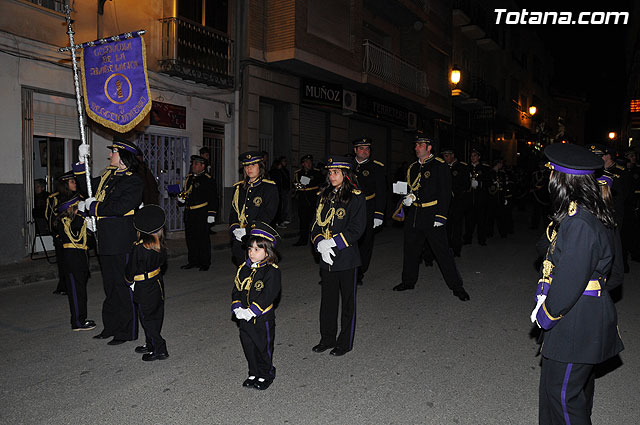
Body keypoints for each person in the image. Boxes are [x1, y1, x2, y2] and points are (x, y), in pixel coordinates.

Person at [530, 143, 624, 425]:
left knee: (564, 399)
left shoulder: (581, 221)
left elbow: (571, 280)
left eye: (552, 174)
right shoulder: (576, 214)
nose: (548, 179)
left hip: (576, 320)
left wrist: (546, 314)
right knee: (552, 392)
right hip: (573, 316)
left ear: (562, 180)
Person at [74, 138, 143, 346]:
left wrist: (94, 208)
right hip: (105, 239)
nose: (109, 155)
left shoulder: (133, 180)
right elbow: (87, 187)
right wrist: (81, 162)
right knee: (110, 286)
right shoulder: (107, 175)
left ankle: (126, 331)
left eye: (113, 152)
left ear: (122, 158)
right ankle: (111, 326)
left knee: (123, 286)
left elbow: (120, 207)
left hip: (121, 240)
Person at [393, 137, 470, 301]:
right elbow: (411, 187)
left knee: (442, 253)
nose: (416, 147)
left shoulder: (439, 165)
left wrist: (441, 216)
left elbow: (445, 192)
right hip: (414, 214)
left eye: (420, 145)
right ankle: (408, 281)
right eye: (415, 145)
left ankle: (457, 286)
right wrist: (407, 198)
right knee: (411, 251)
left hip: (432, 213)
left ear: (429, 148)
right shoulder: (413, 167)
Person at [310, 155, 366, 356]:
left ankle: (345, 342)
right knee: (328, 301)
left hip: (346, 257)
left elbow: (357, 229)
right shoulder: (324, 195)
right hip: (327, 258)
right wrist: (320, 244)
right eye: (330, 172)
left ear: (345, 174)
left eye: (336, 172)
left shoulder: (356, 197)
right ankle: (327, 338)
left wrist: (332, 243)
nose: (331, 176)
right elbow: (316, 223)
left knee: (348, 302)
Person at [231, 221, 282, 390]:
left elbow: (269, 295)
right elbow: (237, 288)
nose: (251, 253)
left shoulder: (271, 271)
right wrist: (237, 306)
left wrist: (252, 310)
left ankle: (266, 373)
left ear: (267, 251)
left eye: (257, 249)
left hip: (262, 318)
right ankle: (253, 372)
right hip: (245, 318)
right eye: (250, 249)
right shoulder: (243, 269)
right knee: (248, 346)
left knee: (263, 347)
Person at [125, 204, 169, 362]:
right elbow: (163, 264)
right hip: (157, 283)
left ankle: (159, 348)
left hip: (143, 286)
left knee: (147, 319)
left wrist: (129, 281)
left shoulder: (139, 248)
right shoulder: (160, 245)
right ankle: (150, 344)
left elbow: (130, 269)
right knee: (156, 316)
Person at [54, 194, 95, 331]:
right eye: (77, 208)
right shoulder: (64, 221)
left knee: (81, 293)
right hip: (71, 261)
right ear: (71, 209)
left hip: (81, 260)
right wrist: (82, 214)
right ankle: (77, 322)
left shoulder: (77, 222)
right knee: (76, 293)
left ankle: (81, 318)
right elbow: (74, 229)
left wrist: (90, 230)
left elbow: (87, 241)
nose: (79, 210)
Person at [229, 152, 279, 266]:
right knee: (242, 269)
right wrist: (235, 228)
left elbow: (268, 214)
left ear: (260, 167)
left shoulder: (269, 187)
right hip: (239, 237)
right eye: (246, 166)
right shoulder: (239, 188)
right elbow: (233, 211)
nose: (249, 169)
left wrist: (247, 230)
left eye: (253, 165)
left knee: (258, 274)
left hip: (258, 237)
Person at [351, 137, 386, 285]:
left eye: (367, 149)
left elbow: (382, 191)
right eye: (361, 149)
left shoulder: (376, 167)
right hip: (348, 209)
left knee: (365, 242)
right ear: (355, 150)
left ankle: (359, 273)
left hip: (368, 208)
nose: (365, 152)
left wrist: (379, 213)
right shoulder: (347, 166)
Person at [179, 155, 218, 271]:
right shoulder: (189, 178)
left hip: (201, 213)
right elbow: (186, 191)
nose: (193, 166)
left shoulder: (207, 179)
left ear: (202, 166)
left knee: (202, 239)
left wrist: (211, 214)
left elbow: (213, 198)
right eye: (193, 164)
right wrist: (181, 198)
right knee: (190, 238)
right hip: (190, 212)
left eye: (196, 164)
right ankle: (193, 261)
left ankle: (205, 262)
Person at [47, 171, 78, 295]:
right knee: (63, 261)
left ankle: (72, 285)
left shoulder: (78, 196)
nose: (75, 183)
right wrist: (56, 234)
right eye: (72, 181)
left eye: (75, 181)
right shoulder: (54, 198)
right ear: (65, 184)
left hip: (75, 234)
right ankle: (63, 285)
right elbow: (49, 217)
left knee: (74, 262)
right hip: (61, 234)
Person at [442, 147, 470, 257]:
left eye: (447, 156)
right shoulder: (443, 167)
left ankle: (456, 248)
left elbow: (466, 185)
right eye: (444, 156)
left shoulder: (462, 167)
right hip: (445, 202)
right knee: (446, 226)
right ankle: (447, 247)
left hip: (458, 202)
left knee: (457, 227)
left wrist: (455, 192)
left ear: (452, 155)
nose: (445, 158)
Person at [292, 155, 323, 246]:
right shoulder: (298, 173)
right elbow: (295, 184)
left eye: (310, 162)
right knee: (303, 220)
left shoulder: (316, 172)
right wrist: (298, 186)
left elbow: (322, 183)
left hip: (313, 198)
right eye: (307, 162)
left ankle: (315, 239)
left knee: (314, 220)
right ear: (303, 164)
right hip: (303, 199)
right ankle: (303, 239)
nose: (309, 164)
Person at [463, 148, 491, 246]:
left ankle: (481, 239)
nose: (472, 158)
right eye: (471, 156)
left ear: (479, 157)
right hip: (470, 198)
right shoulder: (466, 168)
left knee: (481, 221)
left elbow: (488, 181)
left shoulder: (484, 168)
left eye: (475, 156)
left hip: (480, 198)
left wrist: (479, 183)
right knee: (469, 220)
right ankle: (467, 238)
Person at [270, 156, 291, 228]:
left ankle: (282, 219)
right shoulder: (274, 172)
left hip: (283, 190)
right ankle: (278, 221)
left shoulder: (284, 171)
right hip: (278, 191)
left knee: (285, 205)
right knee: (279, 207)